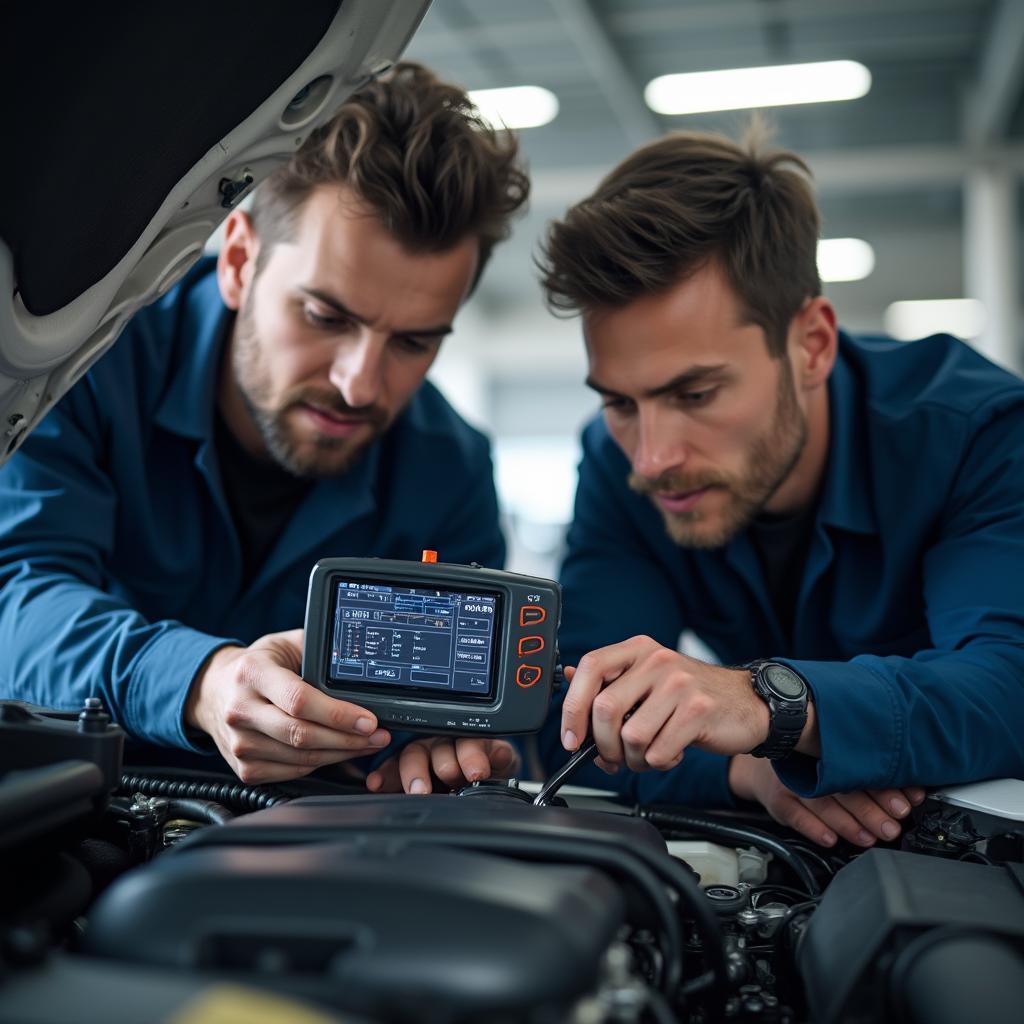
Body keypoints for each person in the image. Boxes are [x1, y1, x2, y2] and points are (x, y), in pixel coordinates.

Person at [0, 63, 529, 794]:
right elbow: (16, 601)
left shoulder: (451, 468)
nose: (359, 384)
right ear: (242, 262)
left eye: (413, 342)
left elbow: (465, 708)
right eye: (326, 317)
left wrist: (440, 750)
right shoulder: (86, 370)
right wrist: (200, 681)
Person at [536, 128, 1024, 850]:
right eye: (620, 402)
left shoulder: (975, 432)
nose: (654, 456)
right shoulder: (615, 466)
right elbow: (574, 716)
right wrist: (750, 767)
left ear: (812, 346)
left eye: (697, 393)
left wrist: (772, 706)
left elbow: (1009, 684)